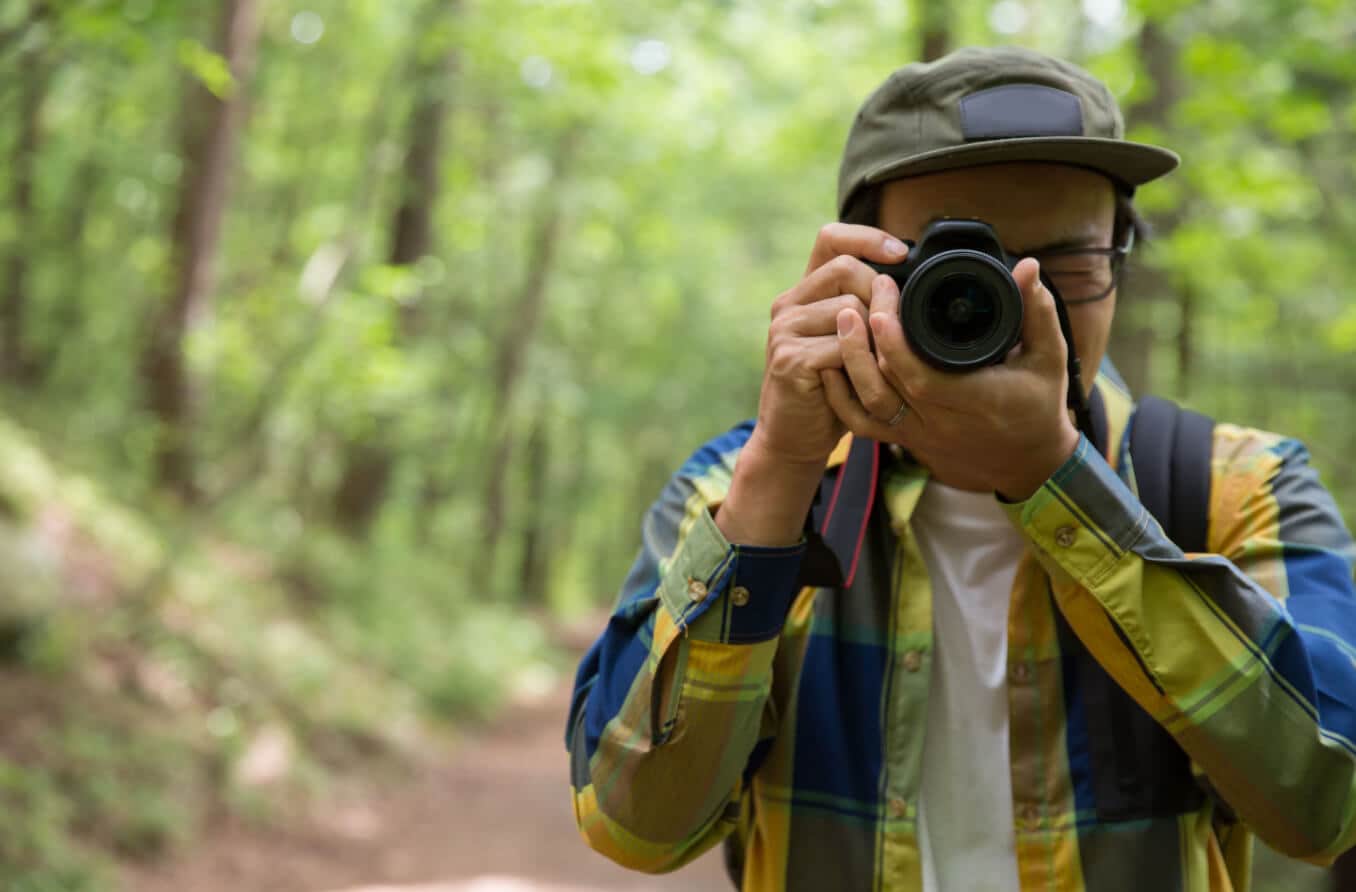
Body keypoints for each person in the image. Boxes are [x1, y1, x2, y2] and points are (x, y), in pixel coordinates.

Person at [564, 46, 1356, 892]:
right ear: (852, 269)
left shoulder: (1235, 486)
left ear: (1121, 261)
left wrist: (1056, 479)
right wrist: (778, 472)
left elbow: (1333, 804)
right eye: (952, 268)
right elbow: (633, 826)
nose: (1018, 306)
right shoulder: (743, 491)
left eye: (1068, 267)